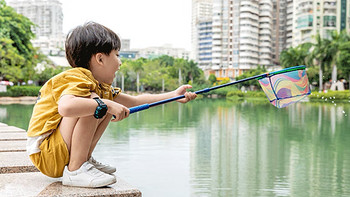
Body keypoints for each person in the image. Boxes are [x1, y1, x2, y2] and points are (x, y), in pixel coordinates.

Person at [26, 22, 197, 188]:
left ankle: (83, 159)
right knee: (96, 102)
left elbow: (137, 101)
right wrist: (105, 104)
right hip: (46, 152)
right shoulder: (77, 77)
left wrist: (174, 96)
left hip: (57, 152)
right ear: (100, 58)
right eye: (117, 55)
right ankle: (76, 169)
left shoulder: (102, 87)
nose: (120, 62)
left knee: (102, 101)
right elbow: (66, 107)